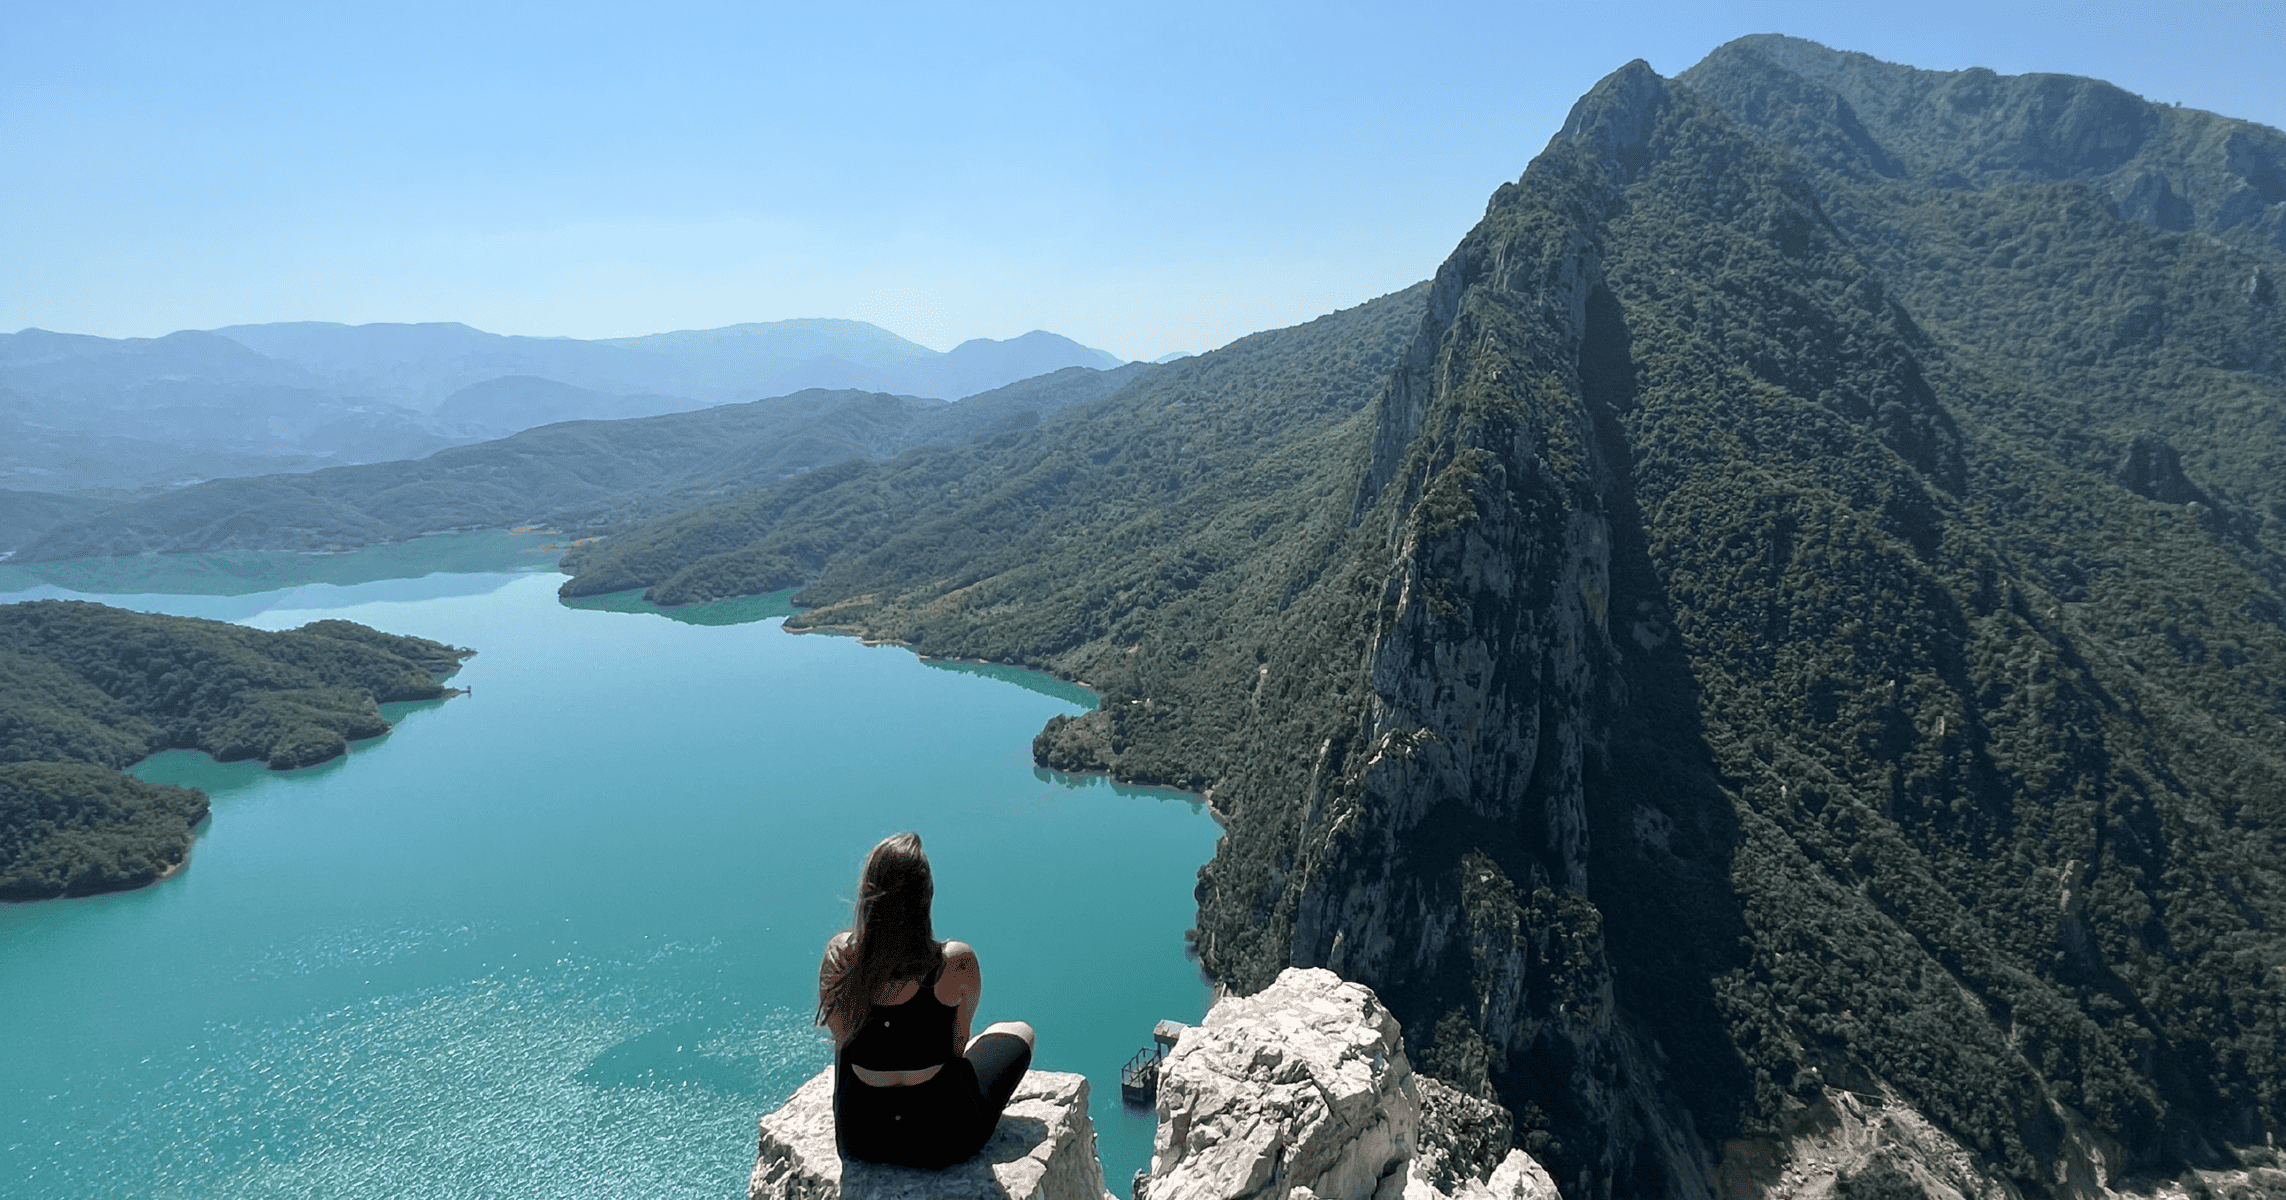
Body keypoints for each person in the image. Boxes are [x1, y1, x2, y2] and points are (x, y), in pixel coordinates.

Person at [816, 832, 1035, 1168]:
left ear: (866, 897)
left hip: (862, 1136)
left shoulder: (840, 958)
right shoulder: (955, 961)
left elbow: (843, 1039)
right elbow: (955, 1049)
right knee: (1019, 1031)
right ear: (926, 898)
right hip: (942, 1138)